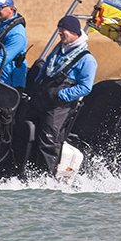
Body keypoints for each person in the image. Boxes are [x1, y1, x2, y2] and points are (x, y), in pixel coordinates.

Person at [22, 15, 98, 176]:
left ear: (74, 32)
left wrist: (61, 94)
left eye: (63, 31)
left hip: (58, 107)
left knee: (48, 142)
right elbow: (45, 68)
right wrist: (37, 84)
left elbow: (85, 88)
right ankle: (21, 168)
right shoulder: (59, 49)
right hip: (40, 99)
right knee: (22, 127)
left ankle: (45, 179)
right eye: (59, 30)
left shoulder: (87, 60)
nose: (60, 33)